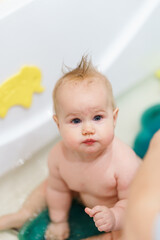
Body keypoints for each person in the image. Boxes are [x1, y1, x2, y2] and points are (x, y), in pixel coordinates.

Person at [0, 56, 141, 240]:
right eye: (76, 120)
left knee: (128, 235)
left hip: (122, 211)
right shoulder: (59, 156)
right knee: (50, 184)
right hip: (83, 196)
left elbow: (134, 204)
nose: (88, 129)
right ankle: (24, 214)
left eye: (97, 118)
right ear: (58, 125)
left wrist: (114, 217)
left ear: (113, 119)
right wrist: (59, 221)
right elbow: (58, 190)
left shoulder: (124, 163)